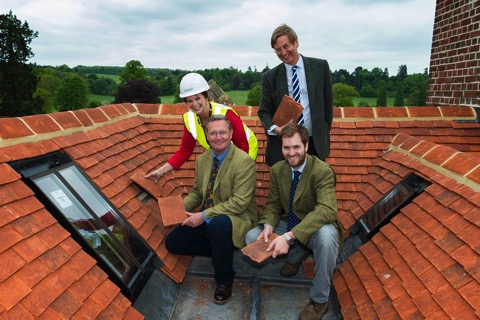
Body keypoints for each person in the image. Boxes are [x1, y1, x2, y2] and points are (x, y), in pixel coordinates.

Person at [245, 123, 343, 320]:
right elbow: (273, 204)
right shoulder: (277, 170)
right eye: (286, 148)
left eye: (296, 147)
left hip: (314, 225)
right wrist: (269, 226)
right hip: (286, 221)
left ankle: (319, 300)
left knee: (327, 237)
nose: (291, 153)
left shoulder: (322, 171)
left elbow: (327, 210)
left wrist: (289, 237)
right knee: (251, 237)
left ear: (306, 146)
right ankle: (297, 254)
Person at [165, 114, 259, 305]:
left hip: (237, 218)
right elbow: (198, 193)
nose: (218, 137)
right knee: (173, 242)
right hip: (209, 217)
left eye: (222, 132)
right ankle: (222, 248)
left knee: (217, 225)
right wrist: (178, 209)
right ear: (207, 136)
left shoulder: (244, 161)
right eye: (213, 133)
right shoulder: (202, 160)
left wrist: (203, 215)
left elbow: (240, 202)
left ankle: (224, 279)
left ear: (231, 133)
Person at [145, 72, 258, 182]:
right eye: (190, 101)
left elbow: (243, 146)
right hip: (222, 151)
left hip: (246, 148)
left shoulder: (226, 113)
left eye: (197, 98)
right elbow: (184, 150)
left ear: (206, 97)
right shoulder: (189, 119)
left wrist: (235, 172)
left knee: (233, 181)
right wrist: (160, 171)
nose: (194, 104)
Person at [258, 24, 333, 166]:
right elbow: (264, 112)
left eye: (286, 46)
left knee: (315, 187)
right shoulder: (269, 77)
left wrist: (322, 133)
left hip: (314, 145)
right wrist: (276, 130)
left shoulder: (320, 67)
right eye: (278, 50)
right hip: (284, 148)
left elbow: (327, 107)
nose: (283, 52)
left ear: (296, 42)